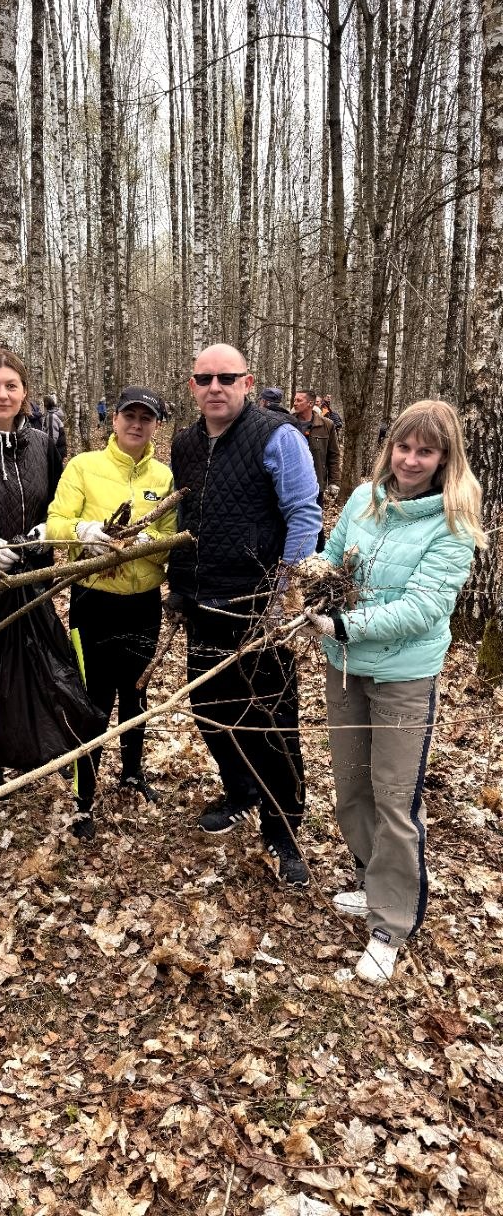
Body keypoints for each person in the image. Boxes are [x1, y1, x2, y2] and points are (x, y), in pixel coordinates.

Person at [302, 400, 485, 984]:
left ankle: (390, 922)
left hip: (404, 675)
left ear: (444, 459)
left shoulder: (453, 524)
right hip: (347, 665)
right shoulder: (363, 500)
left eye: (424, 451)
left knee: (395, 798)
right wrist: (308, 583)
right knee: (351, 786)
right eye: (403, 447)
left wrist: (346, 624)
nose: (410, 460)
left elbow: (425, 607)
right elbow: (332, 561)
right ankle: (368, 878)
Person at [168, 344, 321, 886]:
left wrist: (284, 596)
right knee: (210, 711)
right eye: (204, 378)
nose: (215, 387)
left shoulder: (279, 437)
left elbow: (304, 515)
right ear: (192, 386)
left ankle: (285, 832)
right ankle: (240, 792)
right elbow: (185, 515)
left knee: (271, 722)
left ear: (247, 381)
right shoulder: (184, 443)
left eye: (226, 378)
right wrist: (179, 584)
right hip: (203, 603)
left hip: (259, 609)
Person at [47, 385, 176, 840]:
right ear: (114, 420)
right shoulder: (84, 466)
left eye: (146, 418)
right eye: (129, 416)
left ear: (156, 424)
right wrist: (84, 531)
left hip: (142, 603)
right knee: (93, 699)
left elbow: (173, 539)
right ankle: (84, 799)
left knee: (136, 694)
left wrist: (151, 545)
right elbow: (55, 526)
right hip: (93, 601)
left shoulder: (164, 476)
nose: (136, 425)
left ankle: (133, 773)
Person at [0, 348, 63, 791]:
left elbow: (61, 500)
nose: (2, 395)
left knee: (38, 658)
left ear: (25, 393)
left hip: (35, 574)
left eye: (11, 386)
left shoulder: (42, 443)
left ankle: (35, 749)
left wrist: (50, 528)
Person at [292, 388, 342, 551]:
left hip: (315, 482)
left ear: (310, 403)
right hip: (291, 481)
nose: (295, 402)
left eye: (299, 400)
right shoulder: (288, 422)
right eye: (295, 399)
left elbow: (333, 455)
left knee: (315, 519)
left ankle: (320, 553)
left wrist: (334, 482)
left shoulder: (326, 425)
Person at [43, 394, 68, 460]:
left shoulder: (51, 416)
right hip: (59, 449)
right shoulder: (56, 413)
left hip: (55, 451)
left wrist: (49, 451)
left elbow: (52, 436)